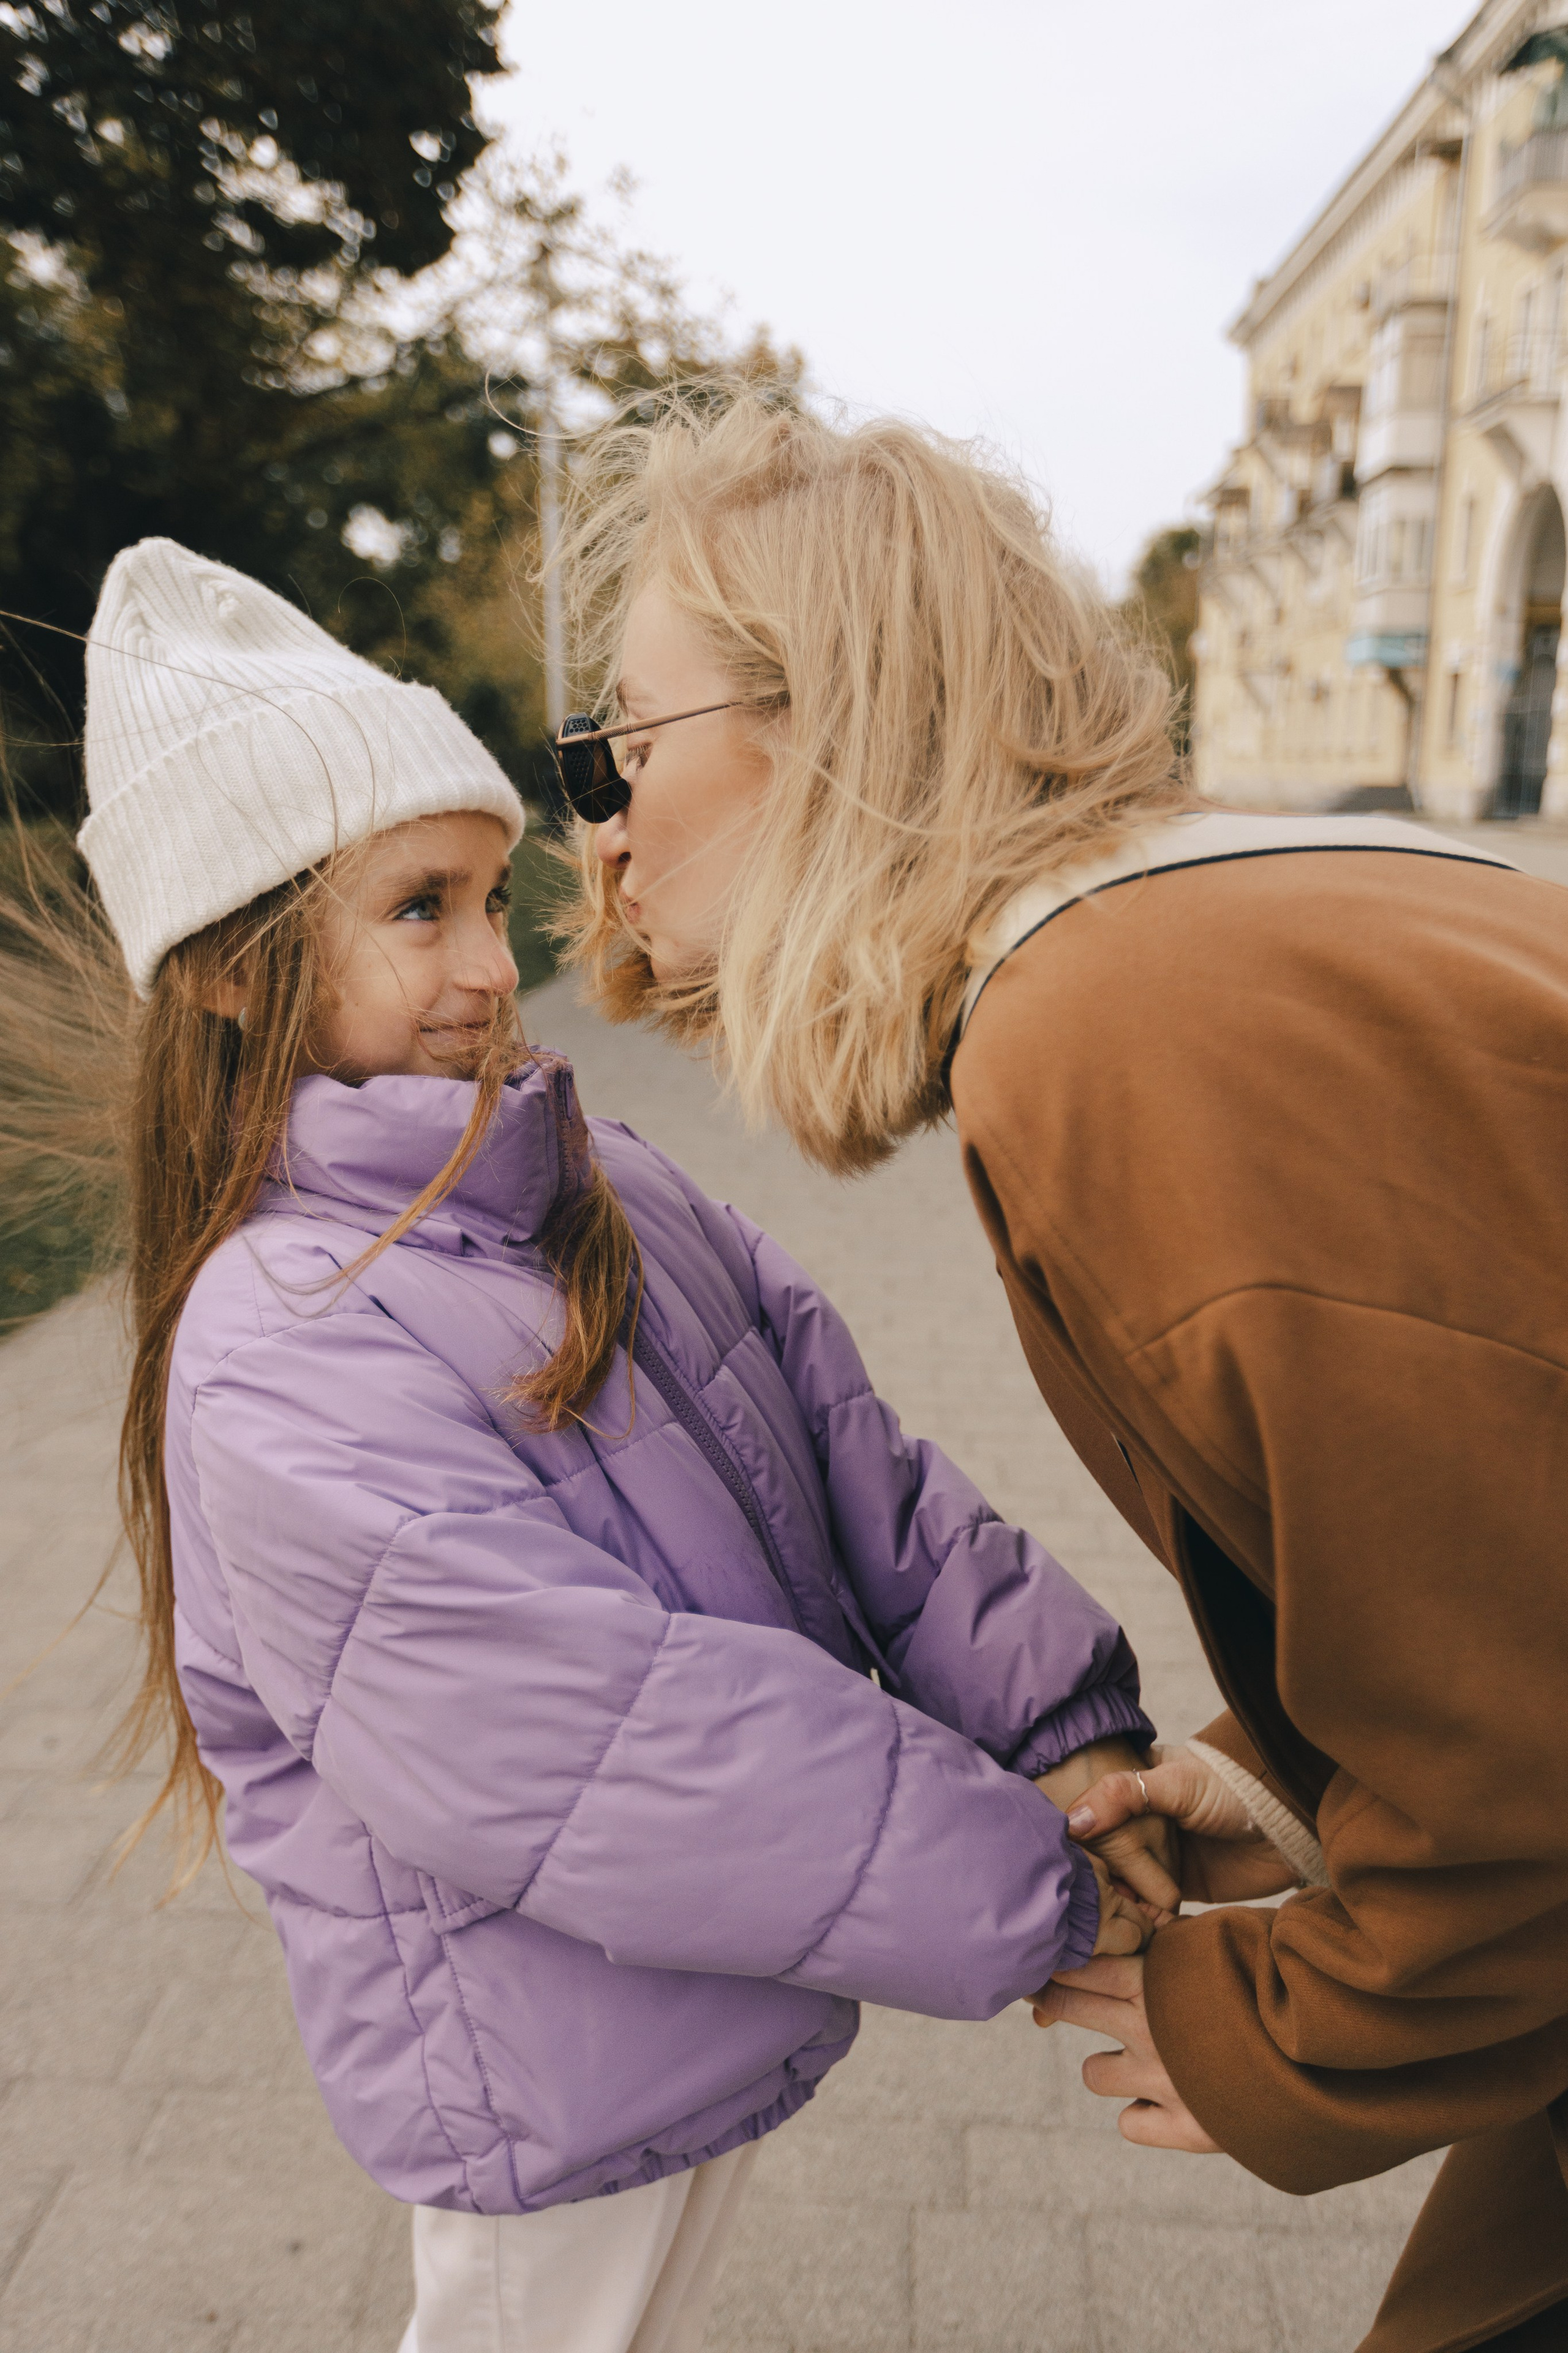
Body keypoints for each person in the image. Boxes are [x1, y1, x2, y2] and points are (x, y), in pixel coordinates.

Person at [57, 537, 1167, 2353]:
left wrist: (1070, 1731)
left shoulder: (590, 1174)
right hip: (535, 2063)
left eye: (496, 898)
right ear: (233, 975)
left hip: (687, 1975)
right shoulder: (283, 1349)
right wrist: (1031, 1882)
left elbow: (853, 1464)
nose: (497, 966)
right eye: (421, 908)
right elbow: (603, 1733)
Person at [557, 395, 1568, 2353]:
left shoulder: (1115, 1022)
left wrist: (1303, 2035)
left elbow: (1529, 1745)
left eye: (621, 734)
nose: (593, 815)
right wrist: (1271, 1776)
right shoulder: (1202, 922)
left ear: (821, 718)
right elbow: (1495, 1515)